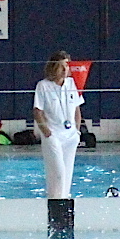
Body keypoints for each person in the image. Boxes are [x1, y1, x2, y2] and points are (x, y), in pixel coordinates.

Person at [33, 51, 84, 199]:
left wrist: (77, 131)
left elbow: (77, 108)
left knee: (67, 173)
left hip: (70, 135)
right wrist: (46, 132)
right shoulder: (43, 86)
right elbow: (37, 111)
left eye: (67, 66)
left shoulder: (73, 84)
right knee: (58, 172)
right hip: (53, 134)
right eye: (61, 66)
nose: (64, 70)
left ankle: (63, 200)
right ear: (53, 67)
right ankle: (54, 199)